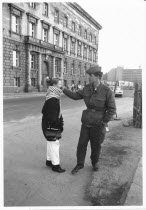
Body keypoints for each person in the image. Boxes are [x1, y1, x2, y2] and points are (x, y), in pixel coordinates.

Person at [62, 65, 116, 174]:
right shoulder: (87, 88)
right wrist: (63, 89)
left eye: (90, 76)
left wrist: (104, 122)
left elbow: (112, 109)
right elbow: (75, 96)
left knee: (96, 145)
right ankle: (79, 164)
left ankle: (95, 162)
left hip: (98, 124)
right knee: (81, 144)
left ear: (97, 76)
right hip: (86, 122)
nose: (88, 78)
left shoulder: (106, 91)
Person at [42, 78, 65, 173]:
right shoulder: (53, 98)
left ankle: (49, 160)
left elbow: (45, 111)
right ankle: (55, 165)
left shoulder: (52, 95)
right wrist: (59, 124)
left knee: (50, 142)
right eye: (60, 84)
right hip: (51, 124)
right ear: (55, 85)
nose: (61, 86)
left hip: (48, 123)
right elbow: (52, 116)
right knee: (54, 143)